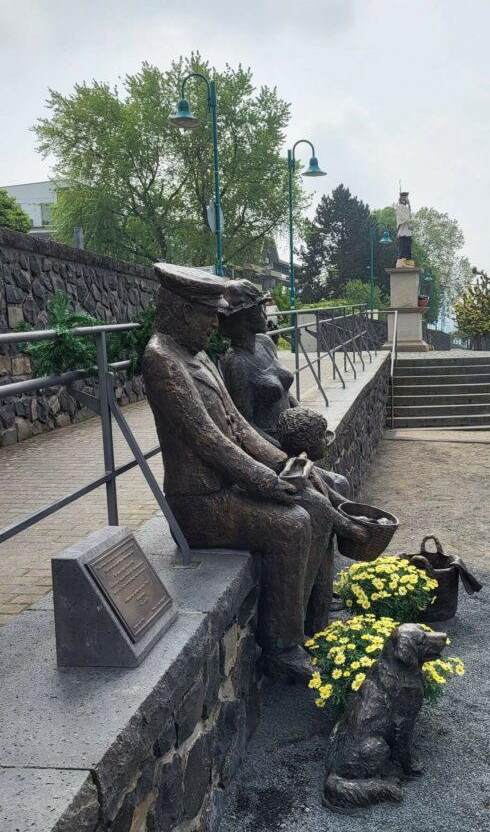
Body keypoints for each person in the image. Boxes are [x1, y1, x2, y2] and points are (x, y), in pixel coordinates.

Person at [141, 264, 365, 681]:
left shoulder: (197, 356)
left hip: (228, 489)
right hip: (200, 504)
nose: (215, 322)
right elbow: (210, 441)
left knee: (314, 507)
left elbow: (239, 428)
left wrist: (283, 464)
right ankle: (280, 649)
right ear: (182, 309)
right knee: (293, 524)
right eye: (208, 313)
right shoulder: (162, 361)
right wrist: (267, 481)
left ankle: (312, 623)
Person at [218, 279, 351, 499]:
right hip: (272, 449)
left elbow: (283, 390)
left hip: (292, 439)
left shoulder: (264, 343)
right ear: (243, 317)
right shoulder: (236, 364)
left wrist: (308, 425)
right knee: (332, 489)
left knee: (339, 484)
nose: (264, 313)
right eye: (258, 308)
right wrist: (283, 451)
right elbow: (244, 424)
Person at [395, 191, 413, 265]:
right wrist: (408, 220)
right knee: (403, 243)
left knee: (408, 243)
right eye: (405, 197)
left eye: (406, 198)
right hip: (403, 227)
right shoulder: (399, 207)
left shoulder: (406, 207)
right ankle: (402, 257)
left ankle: (407, 258)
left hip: (407, 228)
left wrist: (409, 204)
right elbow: (402, 217)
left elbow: (409, 214)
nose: (406, 199)